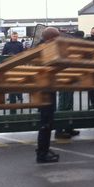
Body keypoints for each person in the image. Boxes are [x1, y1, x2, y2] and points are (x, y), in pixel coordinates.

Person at [36, 27, 62, 163]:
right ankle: (42, 153)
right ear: (51, 38)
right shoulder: (45, 49)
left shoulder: (41, 47)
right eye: (57, 37)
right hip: (45, 90)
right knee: (46, 123)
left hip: (46, 88)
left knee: (47, 122)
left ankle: (43, 149)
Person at [2, 32, 24, 106]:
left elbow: (23, 54)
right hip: (9, 65)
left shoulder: (20, 44)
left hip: (18, 65)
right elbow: (3, 54)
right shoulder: (7, 44)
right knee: (10, 81)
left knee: (18, 81)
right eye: (14, 36)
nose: (15, 37)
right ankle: (10, 96)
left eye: (16, 36)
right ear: (11, 36)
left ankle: (20, 96)